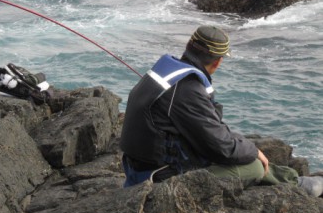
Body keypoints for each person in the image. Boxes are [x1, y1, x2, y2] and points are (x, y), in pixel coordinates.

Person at [120, 25, 323, 197]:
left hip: (137, 170)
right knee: (254, 166)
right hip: (160, 179)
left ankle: (293, 180)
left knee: (243, 154)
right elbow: (221, 148)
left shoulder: (168, 71)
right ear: (218, 61)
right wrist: (253, 149)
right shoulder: (188, 89)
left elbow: (208, 128)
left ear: (188, 47)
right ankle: (296, 185)